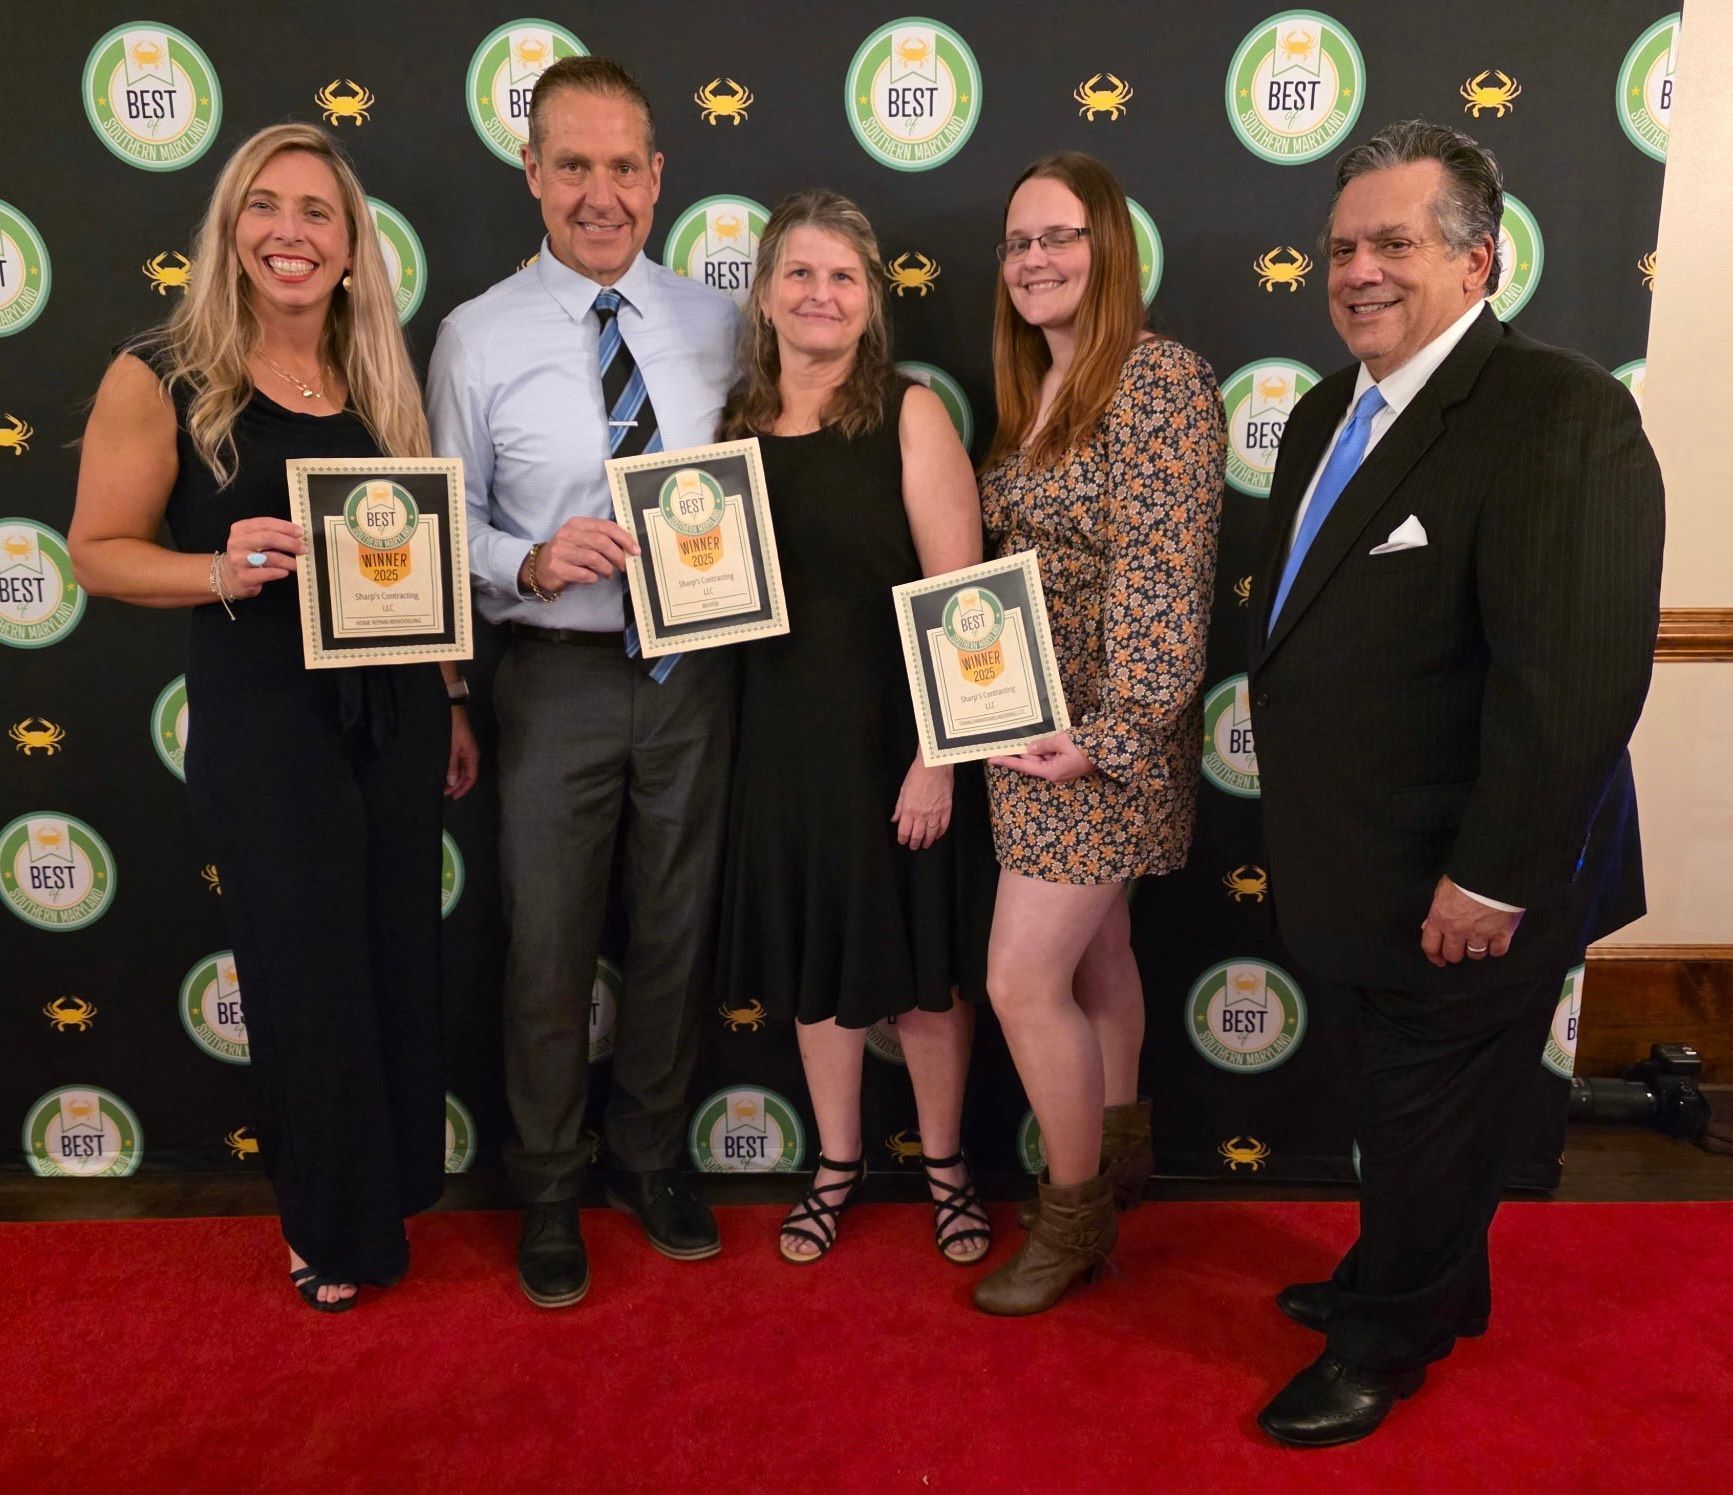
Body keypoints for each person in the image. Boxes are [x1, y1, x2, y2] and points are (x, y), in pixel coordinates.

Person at [1248, 120, 1664, 1446]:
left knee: (1429, 1118)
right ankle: (1415, 1280)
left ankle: (1388, 1340)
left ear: (1478, 259)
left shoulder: (1560, 409)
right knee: (1405, 1108)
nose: (1357, 270)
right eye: (1340, 247)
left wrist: (1491, 874)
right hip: (1359, 860)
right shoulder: (1325, 409)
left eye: (1393, 243)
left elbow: (1578, 678)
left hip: (1468, 871)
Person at [68, 122, 480, 1312]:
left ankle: (387, 1187)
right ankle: (327, 1226)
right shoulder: (162, 374)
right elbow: (96, 555)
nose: (288, 233)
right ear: (229, 229)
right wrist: (216, 567)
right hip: (264, 723)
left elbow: (422, 559)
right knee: (304, 974)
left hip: (395, 709)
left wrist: (449, 692)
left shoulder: (378, 376)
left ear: (352, 247)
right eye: (264, 206)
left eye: (315, 212)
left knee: (392, 956)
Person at [425, 57, 740, 1307]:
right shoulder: (475, 335)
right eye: (573, 165)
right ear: (531, 173)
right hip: (551, 676)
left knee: (675, 936)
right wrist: (527, 558)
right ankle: (549, 1183)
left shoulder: (720, 324)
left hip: (695, 679)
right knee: (547, 947)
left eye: (623, 166)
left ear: (658, 177)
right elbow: (440, 534)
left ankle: (650, 1157)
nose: (599, 193)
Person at [714, 190, 995, 1266]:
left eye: (841, 276)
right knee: (811, 971)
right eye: (798, 273)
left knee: (921, 973)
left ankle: (944, 1168)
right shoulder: (733, 429)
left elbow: (958, 598)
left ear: (870, 302)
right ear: (767, 296)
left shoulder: (908, 414)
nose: (819, 294)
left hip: (894, 741)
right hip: (778, 747)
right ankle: (833, 1165)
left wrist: (937, 757)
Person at [969, 152, 1225, 1316]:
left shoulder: (1158, 378)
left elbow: (1167, 575)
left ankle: (1067, 1217)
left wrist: (1114, 734)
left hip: (1104, 741)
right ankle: (1122, 1151)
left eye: (1057, 237)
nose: (1033, 260)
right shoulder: (1034, 391)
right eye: (1018, 243)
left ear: (1107, 248)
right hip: (1031, 737)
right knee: (1099, 952)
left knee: (1022, 978)